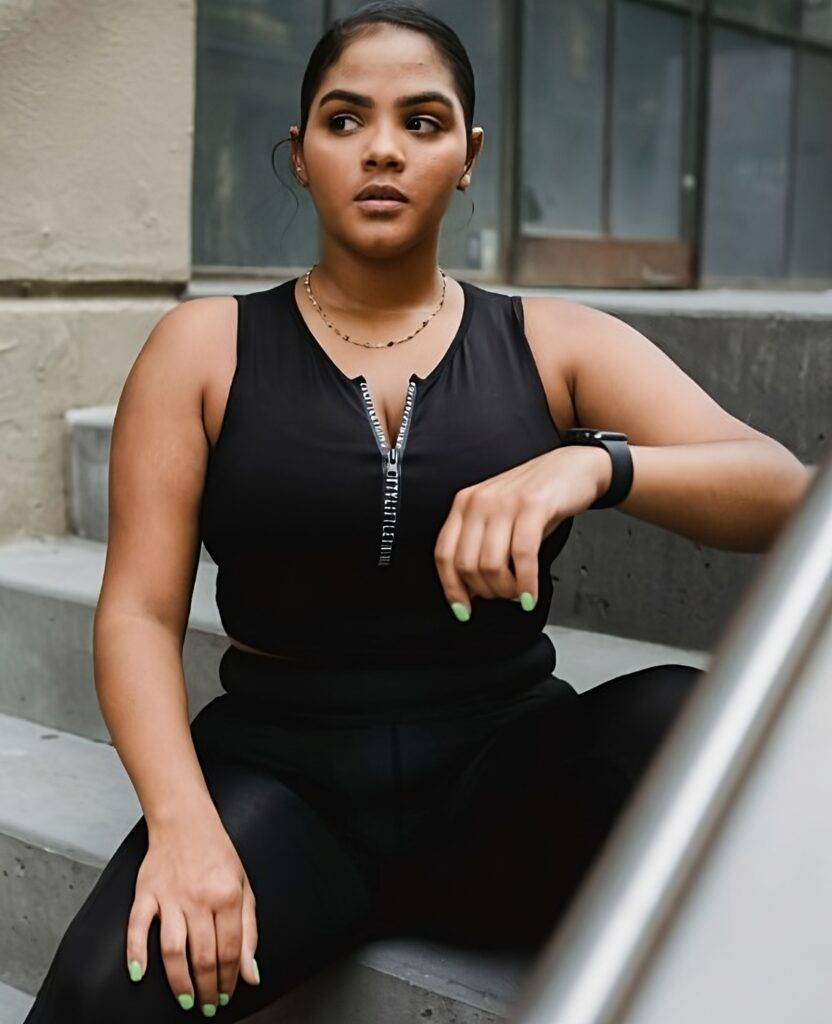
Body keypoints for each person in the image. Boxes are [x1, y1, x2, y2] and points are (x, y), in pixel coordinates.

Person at [23, 3, 809, 1021]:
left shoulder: (552, 340)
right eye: (344, 120)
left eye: (421, 122)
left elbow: (785, 489)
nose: (382, 149)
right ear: (299, 152)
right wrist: (183, 825)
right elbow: (135, 612)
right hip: (282, 787)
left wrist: (593, 467)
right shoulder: (205, 348)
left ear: (469, 154)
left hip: (505, 787)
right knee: (93, 1000)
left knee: (684, 715)